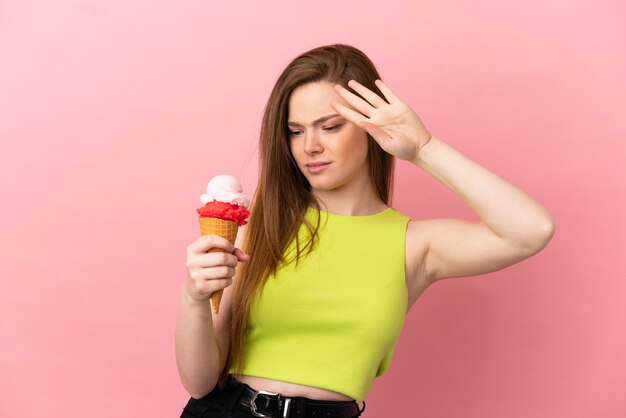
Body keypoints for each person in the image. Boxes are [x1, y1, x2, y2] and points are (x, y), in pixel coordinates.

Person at [175, 43, 555, 418]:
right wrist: (194, 297)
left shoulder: (415, 245)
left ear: (371, 127)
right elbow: (199, 382)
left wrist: (423, 147)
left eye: (330, 126)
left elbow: (531, 230)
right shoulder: (259, 227)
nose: (310, 146)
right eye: (295, 131)